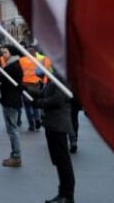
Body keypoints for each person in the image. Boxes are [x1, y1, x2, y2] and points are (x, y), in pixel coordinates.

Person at [31, 70, 75, 203]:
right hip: (52, 123)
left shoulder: (63, 75)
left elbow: (58, 99)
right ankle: (62, 193)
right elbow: (45, 93)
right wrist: (27, 90)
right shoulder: (56, 74)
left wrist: (38, 103)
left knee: (63, 161)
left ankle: (67, 195)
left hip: (58, 123)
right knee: (59, 161)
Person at [0, 45, 24, 168]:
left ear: (12, 53)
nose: (4, 55)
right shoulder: (13, 65)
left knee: (12, 130)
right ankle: (15, 155)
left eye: (6, 52)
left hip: (10, 100)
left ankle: (16, 156)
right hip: (11, 99)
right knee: (12, 129)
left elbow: (1, 78)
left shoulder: (12, 66)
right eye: (3, 53)